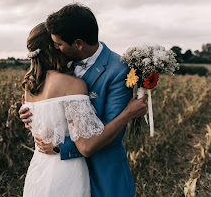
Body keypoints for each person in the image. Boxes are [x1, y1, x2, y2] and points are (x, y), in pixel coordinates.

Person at [21, 21, 147, 196]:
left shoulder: (30, 86)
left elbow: (112, 134)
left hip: (47, 171)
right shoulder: (71, 81)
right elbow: (86, 144)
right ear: (54, 47)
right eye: (57, 43)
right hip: (65, 172)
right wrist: (129, 114)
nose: (59, 45)